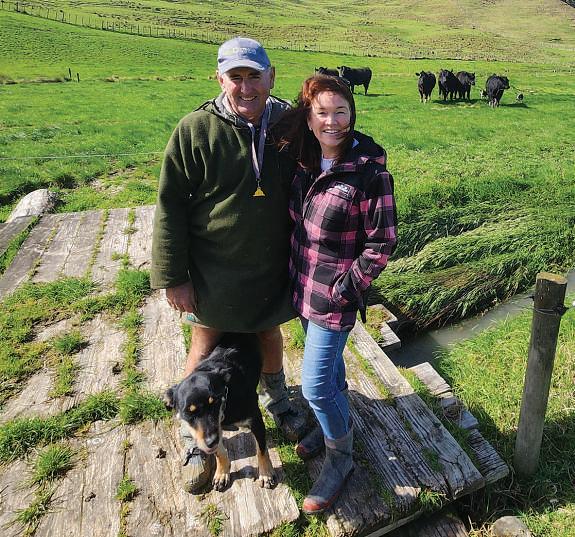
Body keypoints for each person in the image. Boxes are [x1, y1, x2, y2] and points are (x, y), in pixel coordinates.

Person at [151, 37, 307, 494]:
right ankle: (194, 438)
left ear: (271, 77)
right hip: (212, 268)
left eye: (254, 76)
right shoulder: (195, 130)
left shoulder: (289, 124)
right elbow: (170, 205)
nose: (245, 87)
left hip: (269, 264)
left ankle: (278, 402)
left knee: (268, 334)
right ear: (220, 80)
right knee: (204, 342)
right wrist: (173, 275)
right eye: (235, 77)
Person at [279, 74, 397, 514]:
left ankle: (340, 458)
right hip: (303, 288)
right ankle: (333, 425)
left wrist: (346, 288)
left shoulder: (369, 173)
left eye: (341, 111)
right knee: (328, 376)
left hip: (334, 298)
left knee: (314, 387)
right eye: (322, 112)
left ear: (353, 113)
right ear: (309, 119)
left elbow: (382, 242)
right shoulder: (307, 162)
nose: (332, 121)